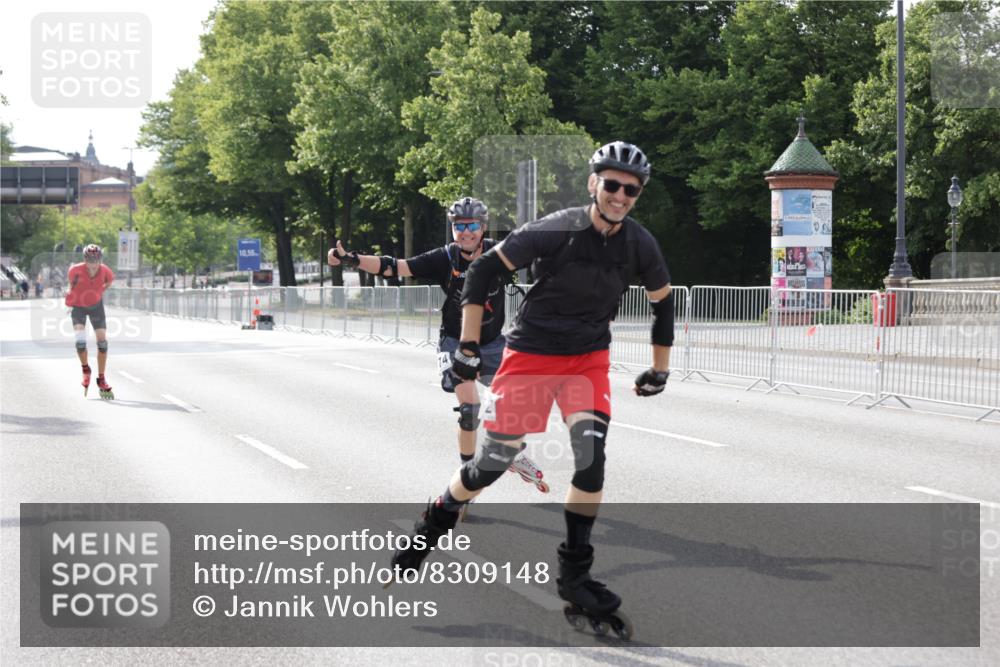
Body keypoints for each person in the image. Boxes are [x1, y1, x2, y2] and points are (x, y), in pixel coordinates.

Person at [391, 142, 674, 636]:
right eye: (612, 184)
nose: (621, 195)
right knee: (492, 465)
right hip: (530, 358)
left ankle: (575, 575)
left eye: (631, 189)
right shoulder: (557, 227)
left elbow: (664, 303)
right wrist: (470, 346)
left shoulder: (639, 244)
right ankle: (436, 517)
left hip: (587, 361)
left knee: (592, 458)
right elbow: (482, 271)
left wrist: (659, 368)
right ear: (593, 184)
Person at [327, 197, 548, 496]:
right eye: (459, 226)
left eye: (472, 226)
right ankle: (467, 478)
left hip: (494, 342)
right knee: (470, 410)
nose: (466, 232)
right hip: (456, 341)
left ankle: (510, 451)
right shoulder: (445, 257)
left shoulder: (501, 250)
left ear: (483, 227)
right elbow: (397, 267)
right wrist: (352, 260)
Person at [65, 244, 115, 399]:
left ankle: (101, 378)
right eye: (90, 260)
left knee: (102, 343)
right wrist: (69, 296)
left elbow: (108, 283)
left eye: (96, 260)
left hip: (96, 307)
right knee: (80, 342)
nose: (93, 264)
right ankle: (85, 369)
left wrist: (99, 291)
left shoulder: (106, 271)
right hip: (78, 307)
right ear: (85, 259)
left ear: (100, 260)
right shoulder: (74, 270)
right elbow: (71, 285)